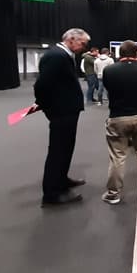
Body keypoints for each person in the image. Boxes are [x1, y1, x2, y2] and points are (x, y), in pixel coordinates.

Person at [33, 28, 90, 207]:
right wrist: (46, 106)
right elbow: (41, 85)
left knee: (66, 148)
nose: (83, 47)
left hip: (66, 111)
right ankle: (52, 194)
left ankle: (61, 180)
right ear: (72, 39)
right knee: (58, 151)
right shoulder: (56, 56)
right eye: (82, 43)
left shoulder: (63, 55)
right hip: (61, 111)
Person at [101, 40, 137, 205]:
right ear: (136, 52)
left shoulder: (109, 70)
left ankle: (113, 193)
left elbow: (107, 88)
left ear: (120, 53)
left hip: (118, 117)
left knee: (117, 157)